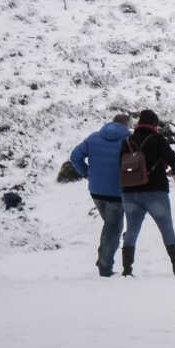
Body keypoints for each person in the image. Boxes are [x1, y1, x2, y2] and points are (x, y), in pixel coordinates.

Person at [119, 110, 175, 276]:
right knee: (166, 227)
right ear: (154, 123)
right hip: (155, 191)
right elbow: (174, 160)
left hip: (129, 192)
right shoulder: (157, 139)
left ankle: (126, 269)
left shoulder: (127, 142)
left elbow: (120, 164)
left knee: (131, 229)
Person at [70, 113, 132, 276]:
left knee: (110, 225)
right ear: (126, 125)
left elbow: (75, 157)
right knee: (113, 228)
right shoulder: (128, 139)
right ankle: (105, 266)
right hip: (117, 191)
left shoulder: (94, 137)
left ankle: (103, 256)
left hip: (96, 190)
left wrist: (87, 174)